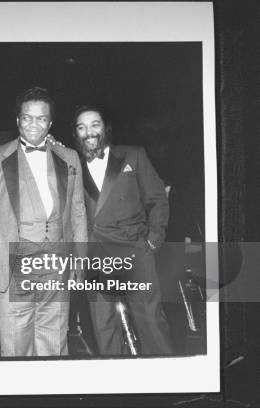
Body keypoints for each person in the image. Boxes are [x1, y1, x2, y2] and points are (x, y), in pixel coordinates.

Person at [0, 87, 87, 356]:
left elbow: (77, 213)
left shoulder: (69, 157)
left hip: (57, 262)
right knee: (17, 345)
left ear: (50, 123)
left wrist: (80, 261)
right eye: (27, 117)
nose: (33, 124)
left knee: (54, 341)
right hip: (12, 261)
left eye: (41, 119)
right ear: (17, 120)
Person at [72, 105, 173, 355]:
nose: (89, 132)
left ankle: (167, 384)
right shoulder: (71, 164)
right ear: (76, 133)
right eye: (82, 127)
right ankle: (116, 385)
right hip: (95, 256)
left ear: (105, 127)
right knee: (103, 329)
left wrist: (152, 240)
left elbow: (158, 199)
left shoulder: (133, 155)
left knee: (151, 323)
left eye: (95, 124)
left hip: (134, 251)